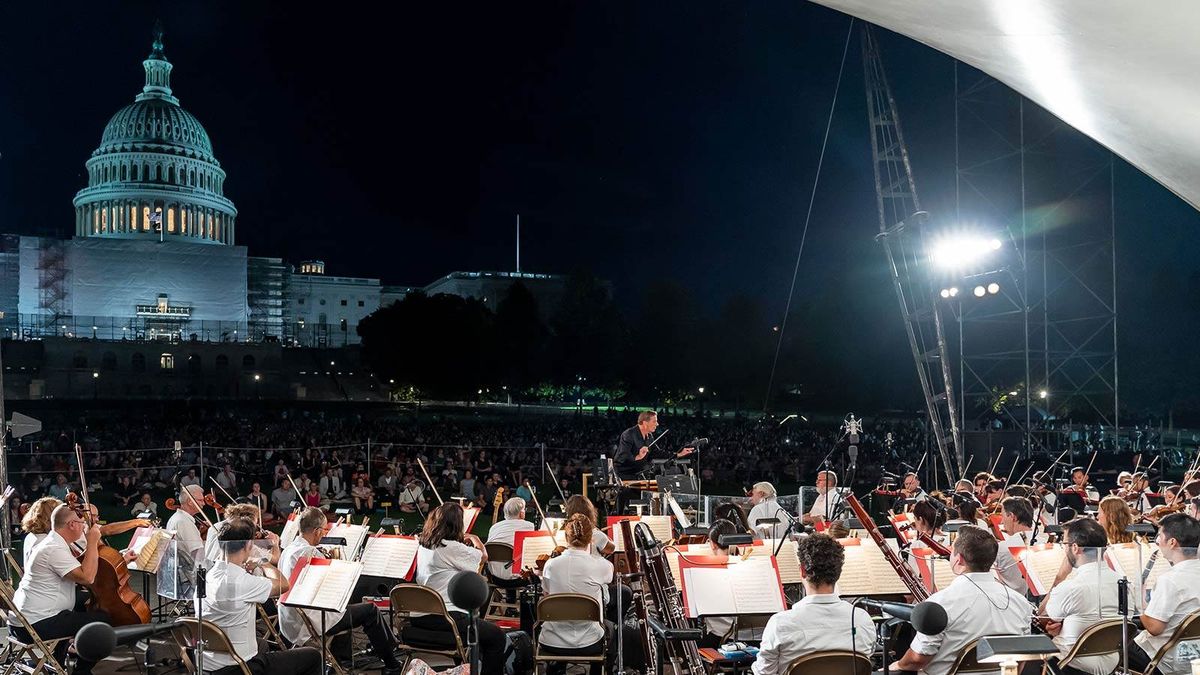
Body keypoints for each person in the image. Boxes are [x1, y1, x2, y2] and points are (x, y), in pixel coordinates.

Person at [894, 525, 1032, 675]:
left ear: (959, 559)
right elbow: (1022, 656)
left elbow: (918, 659)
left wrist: (898, 665)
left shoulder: (941, 602)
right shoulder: (1021, 602)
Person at [279, 508, 401, 673]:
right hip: (310, 620)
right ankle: (391, 663)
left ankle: (343, 659)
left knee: (348, 609)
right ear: (316, 531)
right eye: (324, 530)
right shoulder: (309, 553)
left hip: (290, 619)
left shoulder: (288, 550)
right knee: (370, 610)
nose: (324, 534)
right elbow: (332, 588)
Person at [203, 517, 322, 675]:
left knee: (264, 645)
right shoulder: (242, 581)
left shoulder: (208, 576)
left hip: (208, 662)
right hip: (238, 667)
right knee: (312, 656)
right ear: (249, 545)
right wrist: (262, 562)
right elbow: (283, 585)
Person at [752, 533, 876, 675]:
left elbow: (764, 673)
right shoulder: (862, 619)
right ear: (839, 572)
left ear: (803, 570)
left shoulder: (780, 624)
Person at [12, 504, 108, 674]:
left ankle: (58, 658)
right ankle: (81, 672)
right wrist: (92, 542)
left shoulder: (53, 542)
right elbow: (87, 577)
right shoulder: (53, 549)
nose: (85, 526)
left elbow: (80, 567)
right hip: (34, 625)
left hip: (26, 620)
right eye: (82, 522)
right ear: (72, 524)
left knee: (81, 605)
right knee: (102, 622)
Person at [413, 503, 505, 674]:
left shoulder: (424, 545)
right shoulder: (450, 547)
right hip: (447, 616)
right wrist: (476, 539)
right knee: (497, 636)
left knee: (483, 632)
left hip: (419, 614)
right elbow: (483, 557)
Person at [539, 513, 620, 675]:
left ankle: (556, 668)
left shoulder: (550, 565)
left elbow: (546, 593)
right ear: (591, 539)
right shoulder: (601, 566)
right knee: (613, 629)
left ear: (566, 538)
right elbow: (608, 577)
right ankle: (598, 671)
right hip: (589, 641)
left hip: (552, 640)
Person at [1040, 517, 1120, 675]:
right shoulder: (1123, 582)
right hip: (1111, 660)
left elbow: (1042, 618)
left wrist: (1059, 577)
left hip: (1070, 664)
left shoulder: (1069, 587)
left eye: (1064, 544)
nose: (1064, 549)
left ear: (1075, 548)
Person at [1129, 513, 1200, 675]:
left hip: (1168, 659)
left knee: (1118, 641)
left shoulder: (1170, 580)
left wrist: (1138, 600)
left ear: (1172, 542)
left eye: (1160, 536)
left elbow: (1155, 628)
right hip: (1195, 653)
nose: (1158, 541)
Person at [699, 520, 763, 647]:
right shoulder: (754, 568)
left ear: (712, 544)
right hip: (758, 638)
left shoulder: (706, 573)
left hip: (725, 639)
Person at [613, 411, 694, 481]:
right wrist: (637, 456)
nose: (657, 424)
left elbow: (657, 452)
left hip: (638, 473)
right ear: (645, 423)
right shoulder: (628, 434)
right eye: (654, 421)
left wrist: (678, 454)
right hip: (623, 475)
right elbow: (623, 456)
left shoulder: (649, 436)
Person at [204, 503, 281, 568]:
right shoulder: (243, 541)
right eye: (255, 523)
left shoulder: (214, 527)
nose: (256, 526)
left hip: (209, 570)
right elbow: (275, 560)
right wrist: (275, 543)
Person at [994, 496, 1046, 593]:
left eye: (1003, 516)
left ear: (1012, 517)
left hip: (1010, 602)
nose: (1001, 521)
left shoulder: (1002, 548)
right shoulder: (1045, 544)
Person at [486, 497, 534, 581]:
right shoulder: (529, 526)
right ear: (521, 513)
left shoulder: (494, 527)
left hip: (494, 576)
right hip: (519, 577)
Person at [167, 484, 207, 566]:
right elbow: (197, 553)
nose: (204, 503)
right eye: (200, 500)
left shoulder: (178, 518)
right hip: (188, 573)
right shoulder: (183, 521)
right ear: (190, 502)